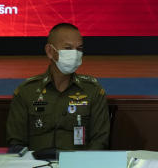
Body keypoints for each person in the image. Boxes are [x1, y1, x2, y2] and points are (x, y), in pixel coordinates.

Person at [6, 23, 110, 151]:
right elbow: (16, 143)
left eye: (79, 49)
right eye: (68, 48)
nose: (75, 54)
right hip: (36, 167)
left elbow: (99, 141)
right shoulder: (27, 91)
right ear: (50, 51)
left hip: (77, 167)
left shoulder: (93, 91)